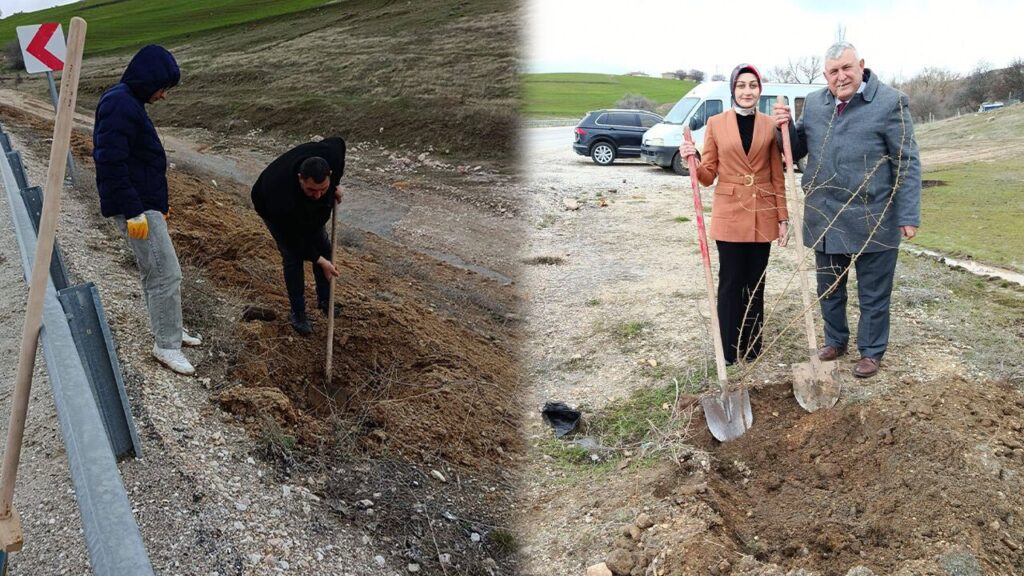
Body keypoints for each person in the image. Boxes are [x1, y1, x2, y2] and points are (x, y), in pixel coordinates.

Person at [772, 41, 921, 378]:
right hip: (825, 214)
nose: (841, 77)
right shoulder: (814, 103)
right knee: (829, 289)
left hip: (875, 215)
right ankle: (836, 340)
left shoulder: (890, 102)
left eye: (847, 68)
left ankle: (871, 351)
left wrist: (908, 214)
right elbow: (795, 149)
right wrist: (782, 128)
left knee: (873, 293)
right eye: (833, 71)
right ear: (825, 75)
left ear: (861, 65)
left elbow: (907, 162)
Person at [94, 45, 202, 376]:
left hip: (144, 203)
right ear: (148, 79)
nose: (164, 95)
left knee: (154, 271)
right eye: (162, 87)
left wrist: (159, 206)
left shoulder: (128, 101)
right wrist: (134, 212)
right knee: (166, 273)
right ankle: (166, 344)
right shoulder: (119, 104)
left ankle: (170, 329)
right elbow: (110, 162)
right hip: (136, 205)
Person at [680, 63, 789, 366]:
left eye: (753, 85)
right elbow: (708, 175)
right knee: (730, 282)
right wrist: (693, 160)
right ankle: (728, 350)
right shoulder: (716, 123)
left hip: (762, 213)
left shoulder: (770, 125)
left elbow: (776, 176)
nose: (747, 91)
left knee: (756, 283)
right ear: (733, 89)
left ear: (760, 90)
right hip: (729, 213)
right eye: (741, 85)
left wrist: (782, 218)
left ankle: (751, 347)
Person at [251, 138, 346, 335]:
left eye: (323, 189)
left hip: (306, 206)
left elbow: (339, 142)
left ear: (329, 174)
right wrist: (318, 260)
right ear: (300, 178)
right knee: (293, 258)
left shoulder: (332, 155)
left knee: (324, 248)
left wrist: (335, 185)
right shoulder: (279, 197)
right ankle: (298, 312)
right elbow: (294, 240)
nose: (318, 195)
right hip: (269, 207)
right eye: (311, 189)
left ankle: (325, 300)